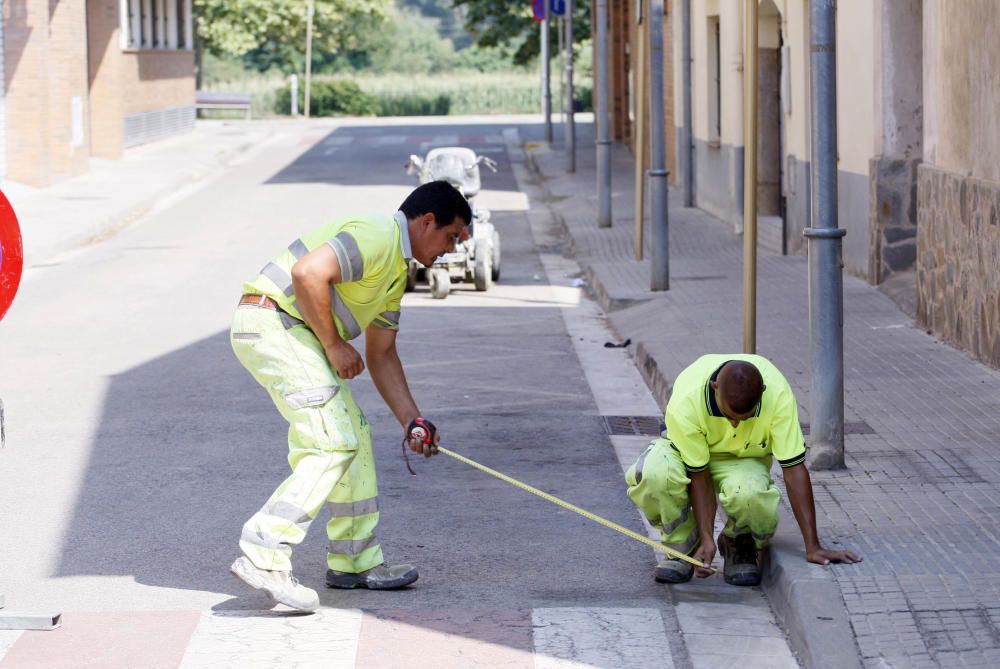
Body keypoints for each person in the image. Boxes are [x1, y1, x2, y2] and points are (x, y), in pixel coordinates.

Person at [228, 180, 472, 611]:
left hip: (297, 333)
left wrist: (413, 422)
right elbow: (307, 273)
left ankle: (354, 562)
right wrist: (335, 344)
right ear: (428, 221)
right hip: (274, 322)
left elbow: (382, 353)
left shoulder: (397, 271)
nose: (450, 250)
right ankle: (263, 551)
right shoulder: (378, 235)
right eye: (452, 236)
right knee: (331, 441)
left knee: (353, 436)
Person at [625, 354, 861, 586]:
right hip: (686, 454)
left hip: (743, 459)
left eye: (743, 418)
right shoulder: (688, 400)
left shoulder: (777, 394)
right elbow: (699, 474)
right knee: (655, 473)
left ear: (762, 394)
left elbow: (794, 469)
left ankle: (738, 541)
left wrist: (813, 546)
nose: (735, 424)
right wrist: (707, 537)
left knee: (752, 495)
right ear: (714, 387)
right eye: (729, 416)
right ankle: (682, 544)